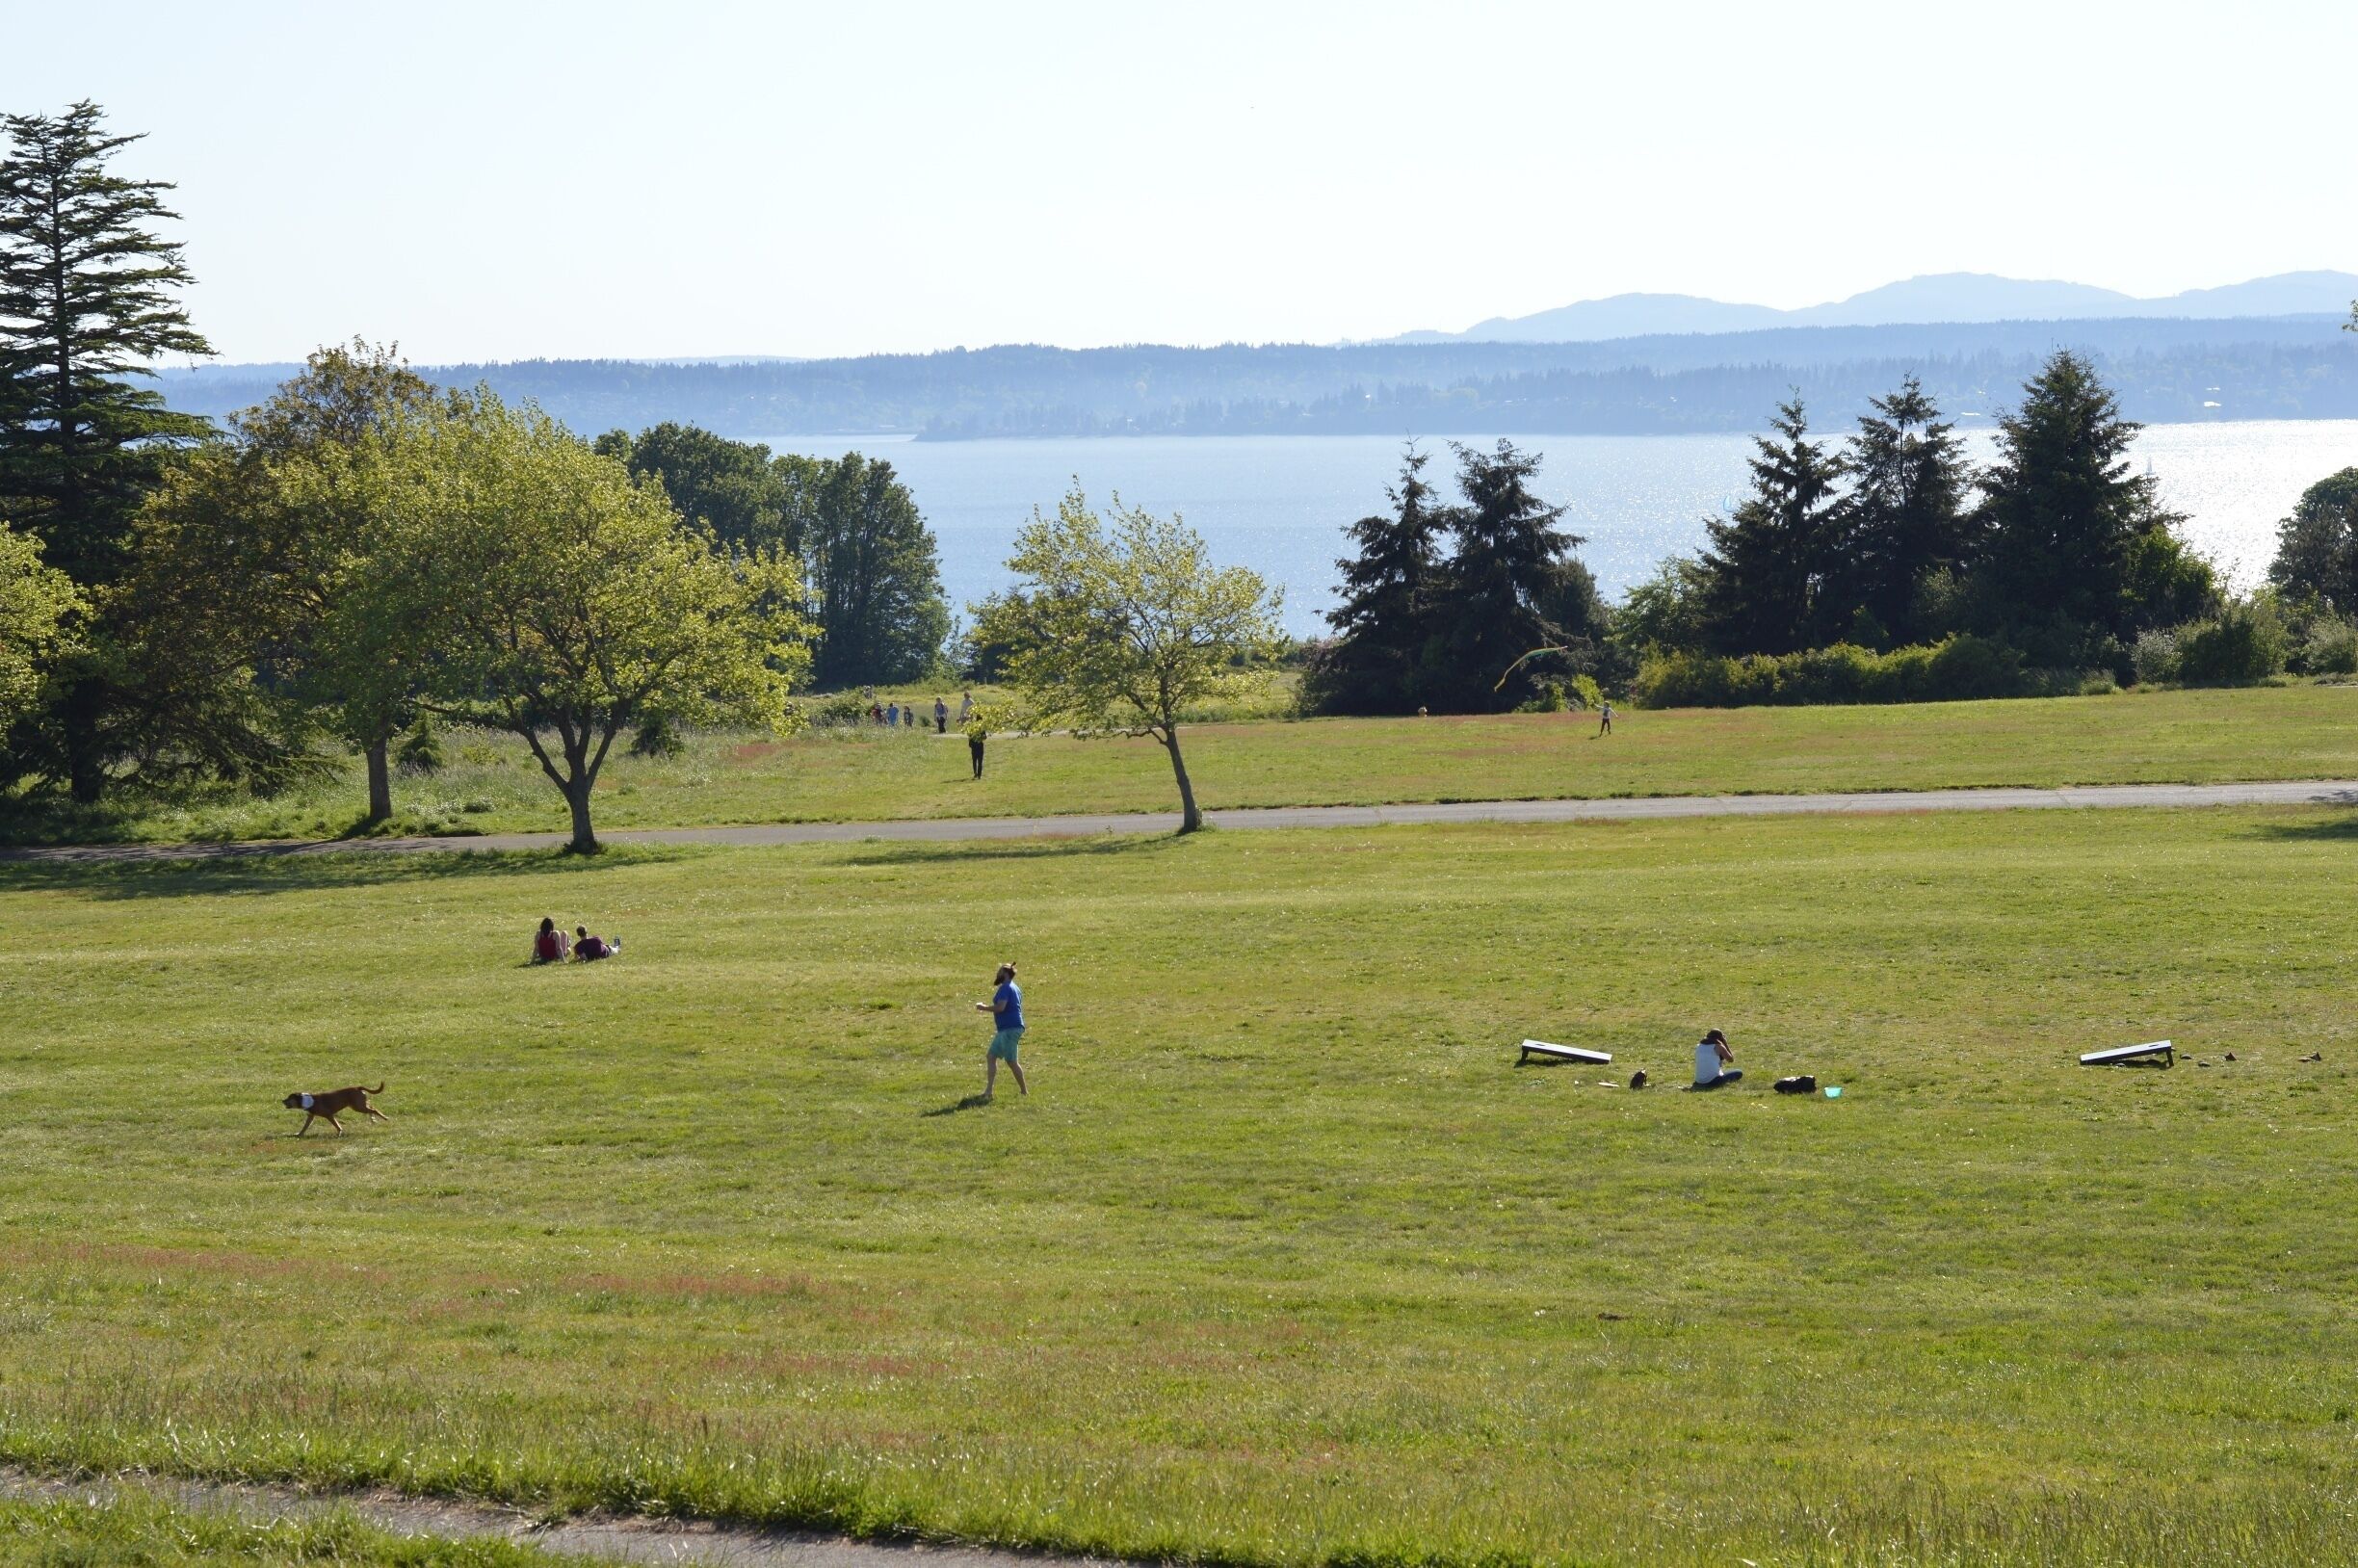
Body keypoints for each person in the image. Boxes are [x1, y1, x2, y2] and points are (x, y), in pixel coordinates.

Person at [974, 961, 1027, 1098]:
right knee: (1002, 1059)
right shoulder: (1015, 988)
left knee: (1001, 1059)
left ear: (1005, 973)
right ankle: (1020, 1091)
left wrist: (983, 1007)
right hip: (1012, 1028)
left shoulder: (1005, 988)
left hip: (1009, 1029)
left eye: (999, 971)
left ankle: (992, 1092)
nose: (997, 974)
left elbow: (1001, 1007)